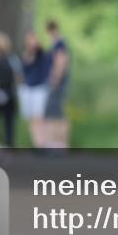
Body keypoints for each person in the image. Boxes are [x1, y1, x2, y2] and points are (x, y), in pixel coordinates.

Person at [19, 30, 52, 148]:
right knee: (31, 118)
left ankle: (42, 142)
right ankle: (37, 143)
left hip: (39, 88)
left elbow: (38, 49)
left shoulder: (41, 54)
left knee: (39, 117)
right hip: (27, 89)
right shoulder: (24, 55)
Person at [44, 20, 71, 150]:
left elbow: (61, 62)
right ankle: (56, 142)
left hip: (58, 83)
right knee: (55, 112)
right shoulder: (59, 43)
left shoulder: (60, 44)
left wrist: (55, 79)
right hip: (58, 82)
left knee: (57, 113)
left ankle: (60, 143)